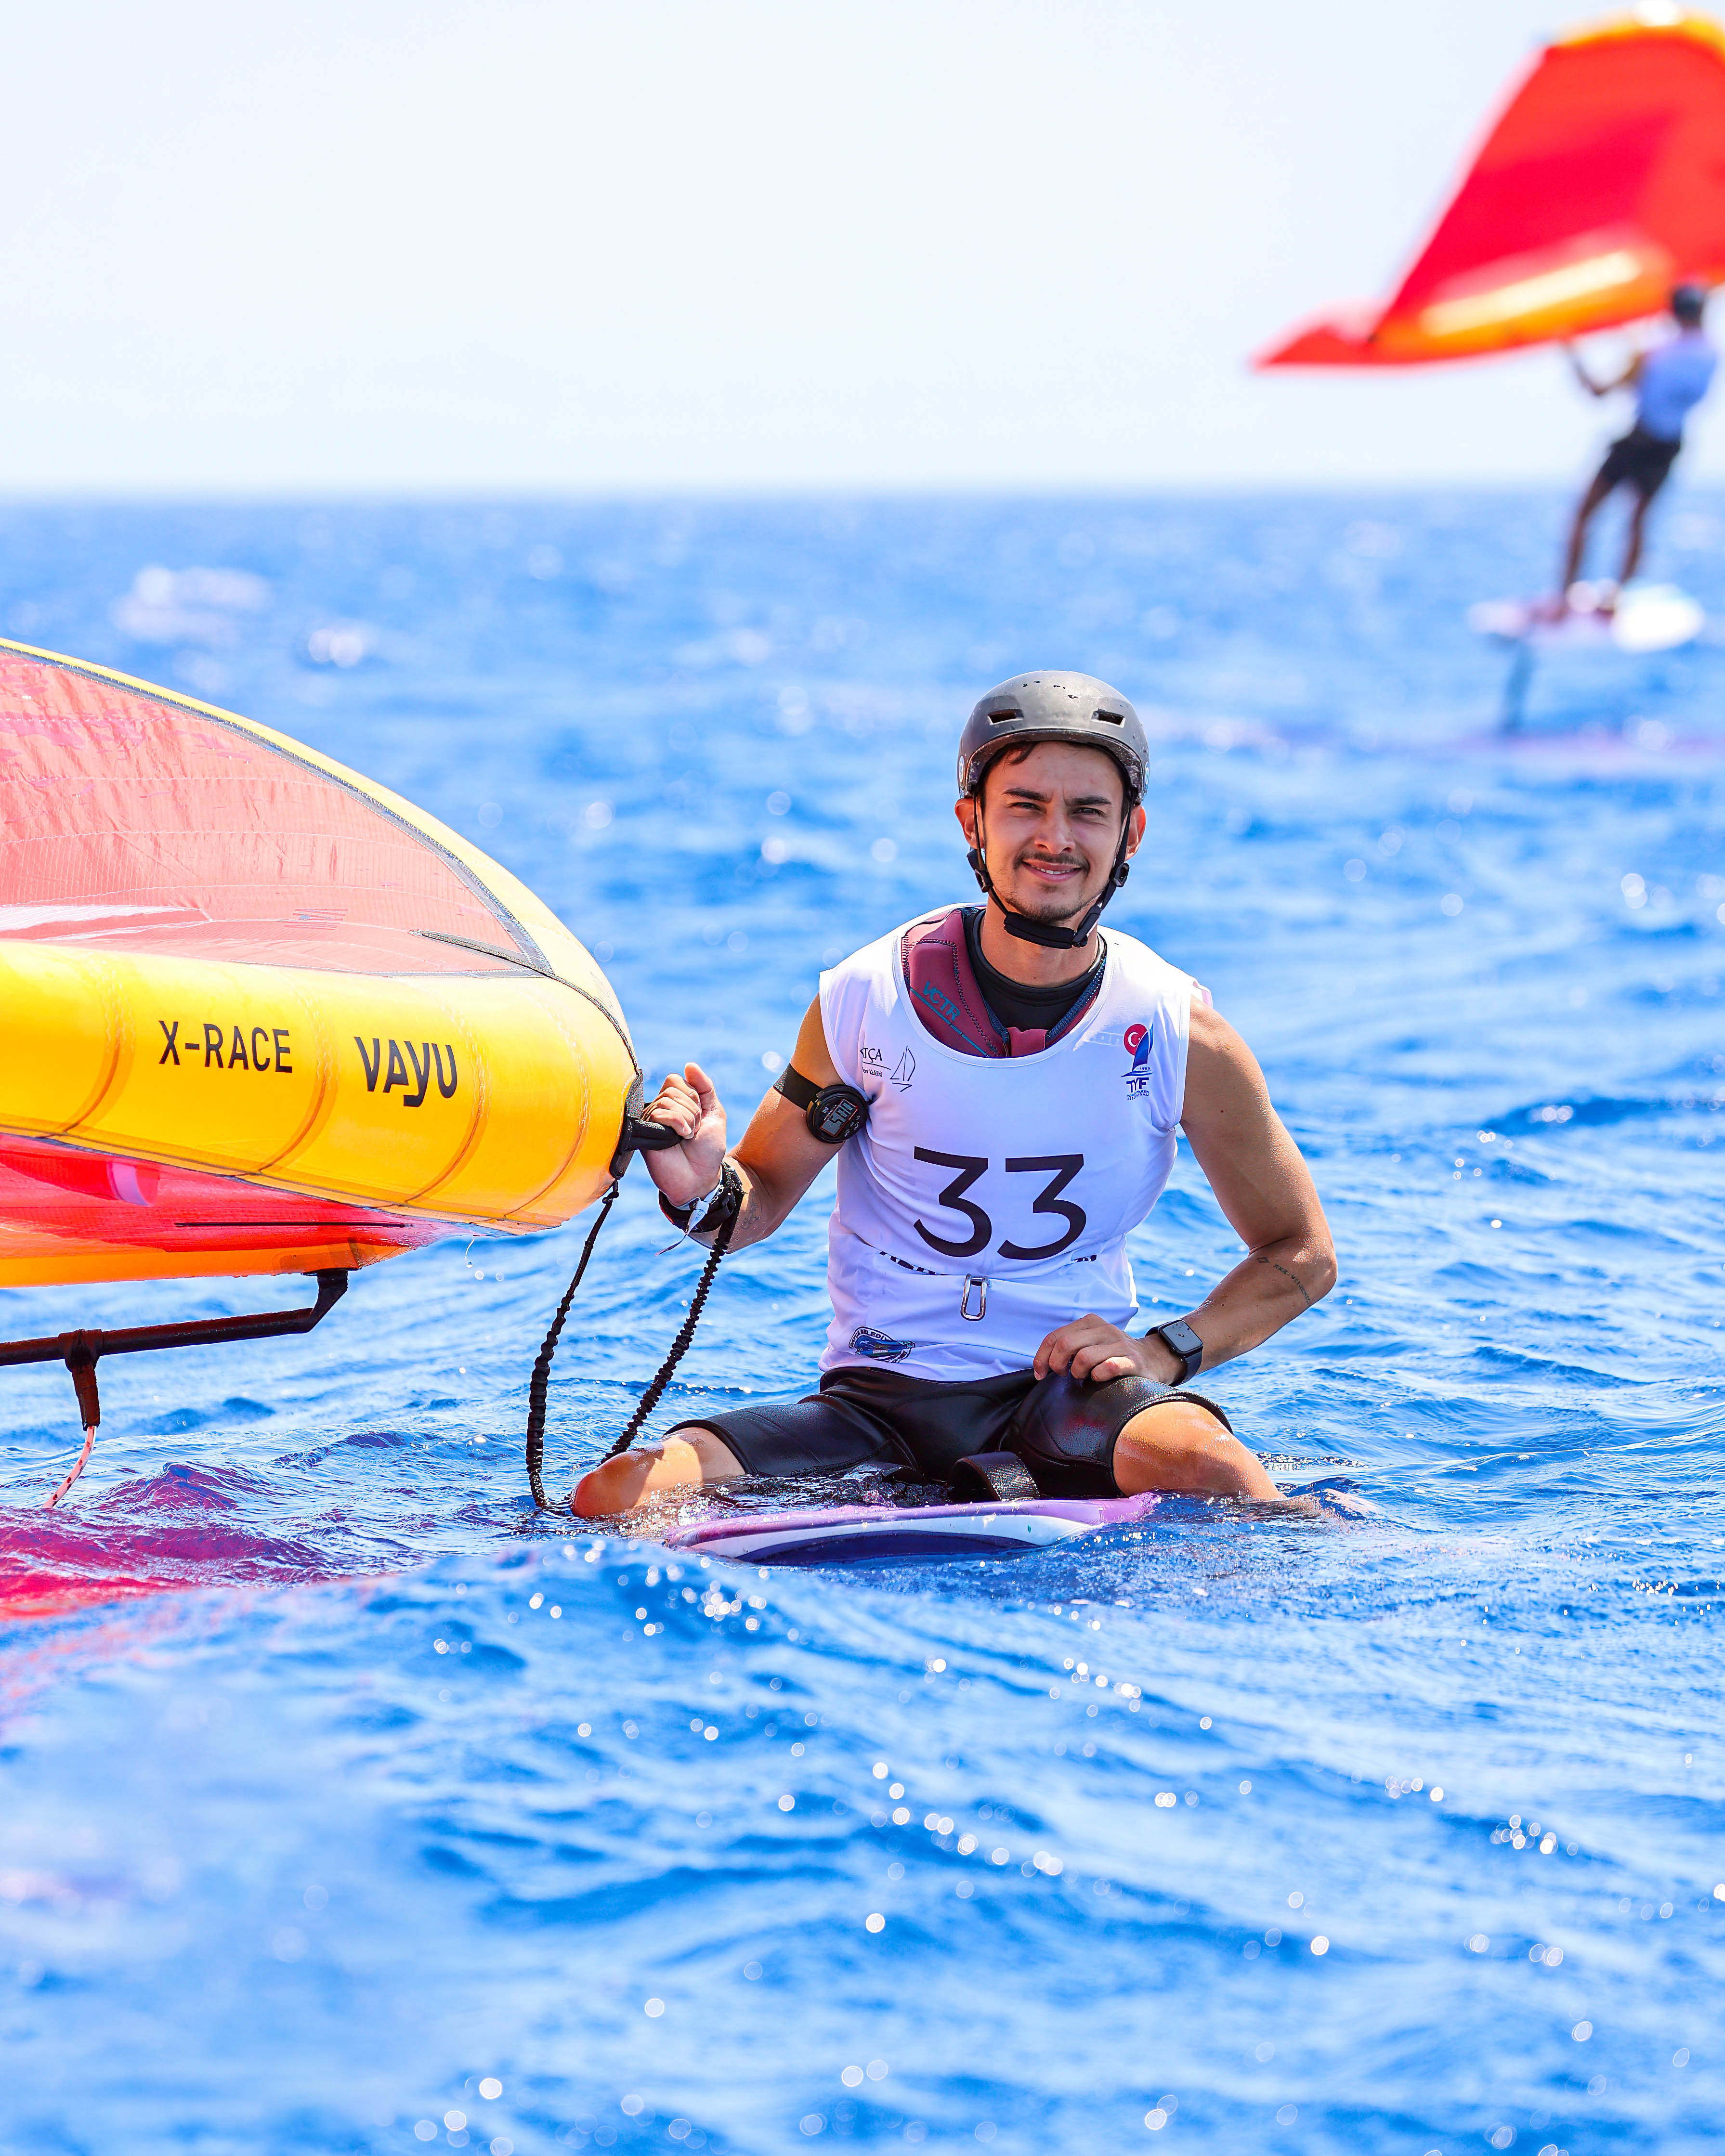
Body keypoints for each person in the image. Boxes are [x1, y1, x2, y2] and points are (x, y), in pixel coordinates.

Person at [574, 672, 1336, 1518]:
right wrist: (697, 1184)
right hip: (875, 1402)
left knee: (1229, 1476)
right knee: (615, 1495)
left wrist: (1165, 1351)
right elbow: (749, 1205)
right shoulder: (865, 1000)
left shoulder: (1178, 1032)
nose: (1055, 837)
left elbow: (1302, 1252)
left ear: (1131, 832)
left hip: (1074, 1399)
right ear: (971, 820)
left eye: (1088, 811)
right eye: (1024, 806)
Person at [1557, 281, 1717, 605]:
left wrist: (1573, 353)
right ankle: (1616, 598)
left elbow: (1599, 393)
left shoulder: (1652, 355)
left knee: (1585, 515)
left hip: (1638, 442)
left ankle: (1565, 598)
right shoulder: (1711, 355)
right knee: (1638, 522)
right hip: (1669, 446)